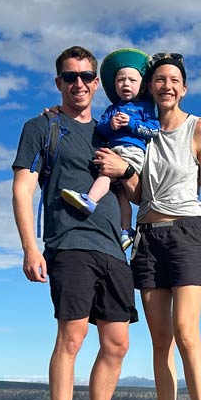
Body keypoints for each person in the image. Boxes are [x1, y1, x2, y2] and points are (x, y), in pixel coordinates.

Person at [11, 46, 138, 400]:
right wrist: (31, 245)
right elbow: (24, 188)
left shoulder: (110, 131)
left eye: (86, 76)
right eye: (70, 77)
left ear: (96, 82)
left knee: (117, 343)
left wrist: (126, 169)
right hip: (70, 242)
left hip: (113, 248)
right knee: (73, 335)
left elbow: (132, 191)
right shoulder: (41, 127)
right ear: (58, 82)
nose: (79, 84)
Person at [97, 52, 201, 400]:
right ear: (152, 88)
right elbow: (136, 194)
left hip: (186, 234)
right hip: (148, 237)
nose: (167, 85)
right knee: (160, 342)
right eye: (160, 80)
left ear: (183, 88)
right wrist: (121, 170)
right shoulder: (143, 135)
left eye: (174, 80)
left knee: (187, 333)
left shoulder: (197, 128)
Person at [60, 47, 159, 252]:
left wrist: (131, 124)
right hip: (114, 150)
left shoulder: (144, 108)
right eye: (121, 80)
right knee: (119, 193)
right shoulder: (111, 109)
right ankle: (126, 229)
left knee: (109, 176)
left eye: (132, 80)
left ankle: (90, 200)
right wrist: (111, 125)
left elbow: (153, 130)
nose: (126, 84)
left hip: (132, 152)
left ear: (142, 86)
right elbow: (101, 129)